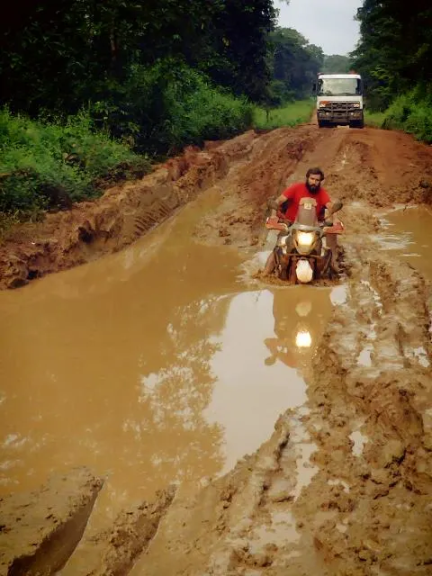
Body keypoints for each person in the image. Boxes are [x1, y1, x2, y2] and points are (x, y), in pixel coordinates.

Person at [263, 167, 340, 276]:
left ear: (320, 181)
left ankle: (332, 264)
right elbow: (279, 200)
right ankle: (265, 272)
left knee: (326, 246)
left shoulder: (322, 193)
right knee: (279, 246)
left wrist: (336, 219)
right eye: (312, 179)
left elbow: (331, 207)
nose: (314, 182)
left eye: (317, 180)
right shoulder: (296, 188)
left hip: (312, 226)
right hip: (290, 223)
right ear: (307, 178)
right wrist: (273, 216)